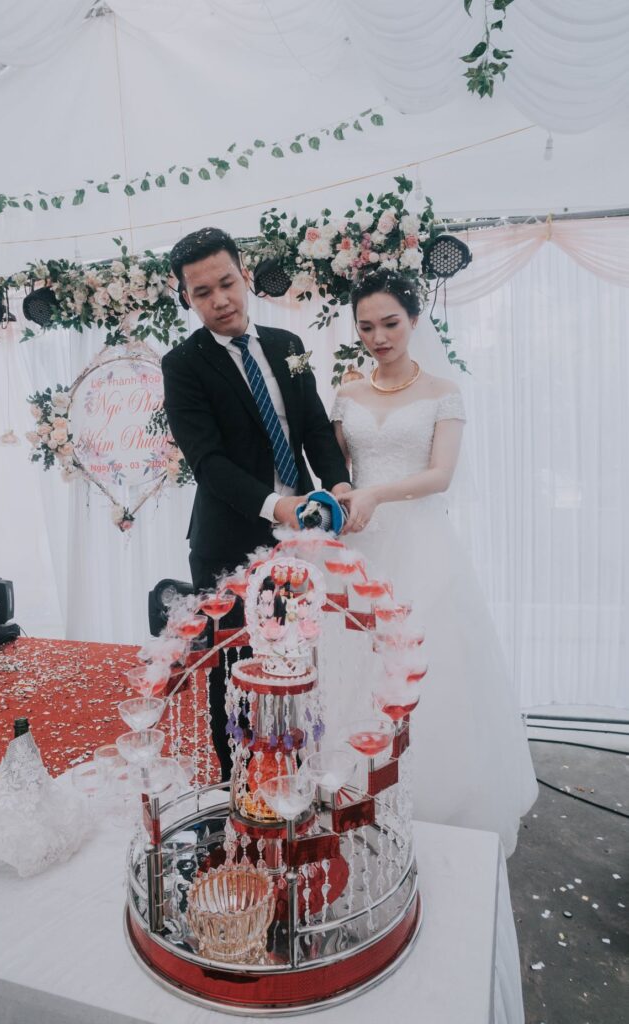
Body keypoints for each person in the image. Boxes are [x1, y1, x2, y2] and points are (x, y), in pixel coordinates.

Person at [329, 268, 537, 856]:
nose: (379, 337)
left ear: (415, 321)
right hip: (360, 549)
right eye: (366, 326)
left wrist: (373, 493)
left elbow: (440, 476)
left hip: (421, 544)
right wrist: (346, 493)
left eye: (390, 323)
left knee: (432, 671)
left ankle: (439, 800)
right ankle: (353, 791)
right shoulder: (346, 394)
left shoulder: (443, 391)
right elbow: (337, 471)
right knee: (354, 666)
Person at [162, 227, 350, 778]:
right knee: (235, 670)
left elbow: (314, 428)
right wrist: (278, 505)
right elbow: (209, 462)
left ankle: (293, 774)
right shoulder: (183, 365)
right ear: (187, 297)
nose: (219, 301)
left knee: (295, 657)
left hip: (301, 538)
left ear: (244, 274)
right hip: (230, 537)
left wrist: (336, 486)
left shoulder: (286, 345)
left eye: (226, 283)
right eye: (202, 292)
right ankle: (237, 786)